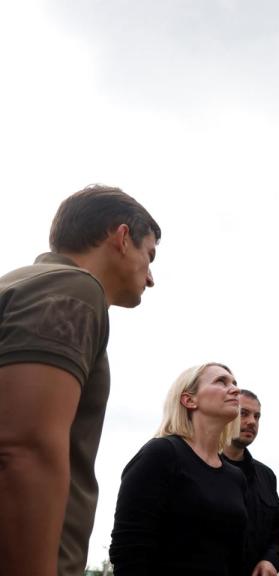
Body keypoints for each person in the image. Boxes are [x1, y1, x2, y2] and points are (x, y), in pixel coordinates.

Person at [0, 184, 160, 576]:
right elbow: (25, 447)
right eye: (149, 255)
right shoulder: (74, 289)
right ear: (122, 237)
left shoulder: (21, 282)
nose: (151, 278)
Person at [110, 362, 247, 575]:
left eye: (235, 383)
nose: (236, 390)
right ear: (189, 400)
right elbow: (128, 549)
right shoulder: (161, 454)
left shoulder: (236, 477)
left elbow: (235, 557)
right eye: (221, 381)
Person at [223, 389, 279, 576]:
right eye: (243, 413)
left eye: (257, 416)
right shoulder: (199, 466)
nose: (252, 421)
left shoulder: (266, 476)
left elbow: (277, 535)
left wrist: (270, 560)